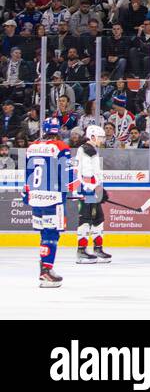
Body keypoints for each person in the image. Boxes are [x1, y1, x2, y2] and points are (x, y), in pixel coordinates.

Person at [23, 118, 74, 287]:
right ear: (57, 130)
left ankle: (44, 267)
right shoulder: (60, 147)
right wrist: (78, 191)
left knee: (44, 233)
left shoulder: (32, 147)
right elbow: (67, 173)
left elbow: (28, 173)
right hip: (53, 197)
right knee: (52, 234)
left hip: (36, 197)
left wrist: (27, 194)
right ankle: (46, 270)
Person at [73, 124, 111, 264]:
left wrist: (100, 189)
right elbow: (87, 175)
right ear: (93, 136)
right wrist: (96, 189)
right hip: (87, 190)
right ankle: (81, 250)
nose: (102, 140)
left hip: (91, 190)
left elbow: (95, 174)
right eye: (100, 137)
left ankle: (97, 248)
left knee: (98, 218)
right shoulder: (87, 150)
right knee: (86, 219)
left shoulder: (90, 149)